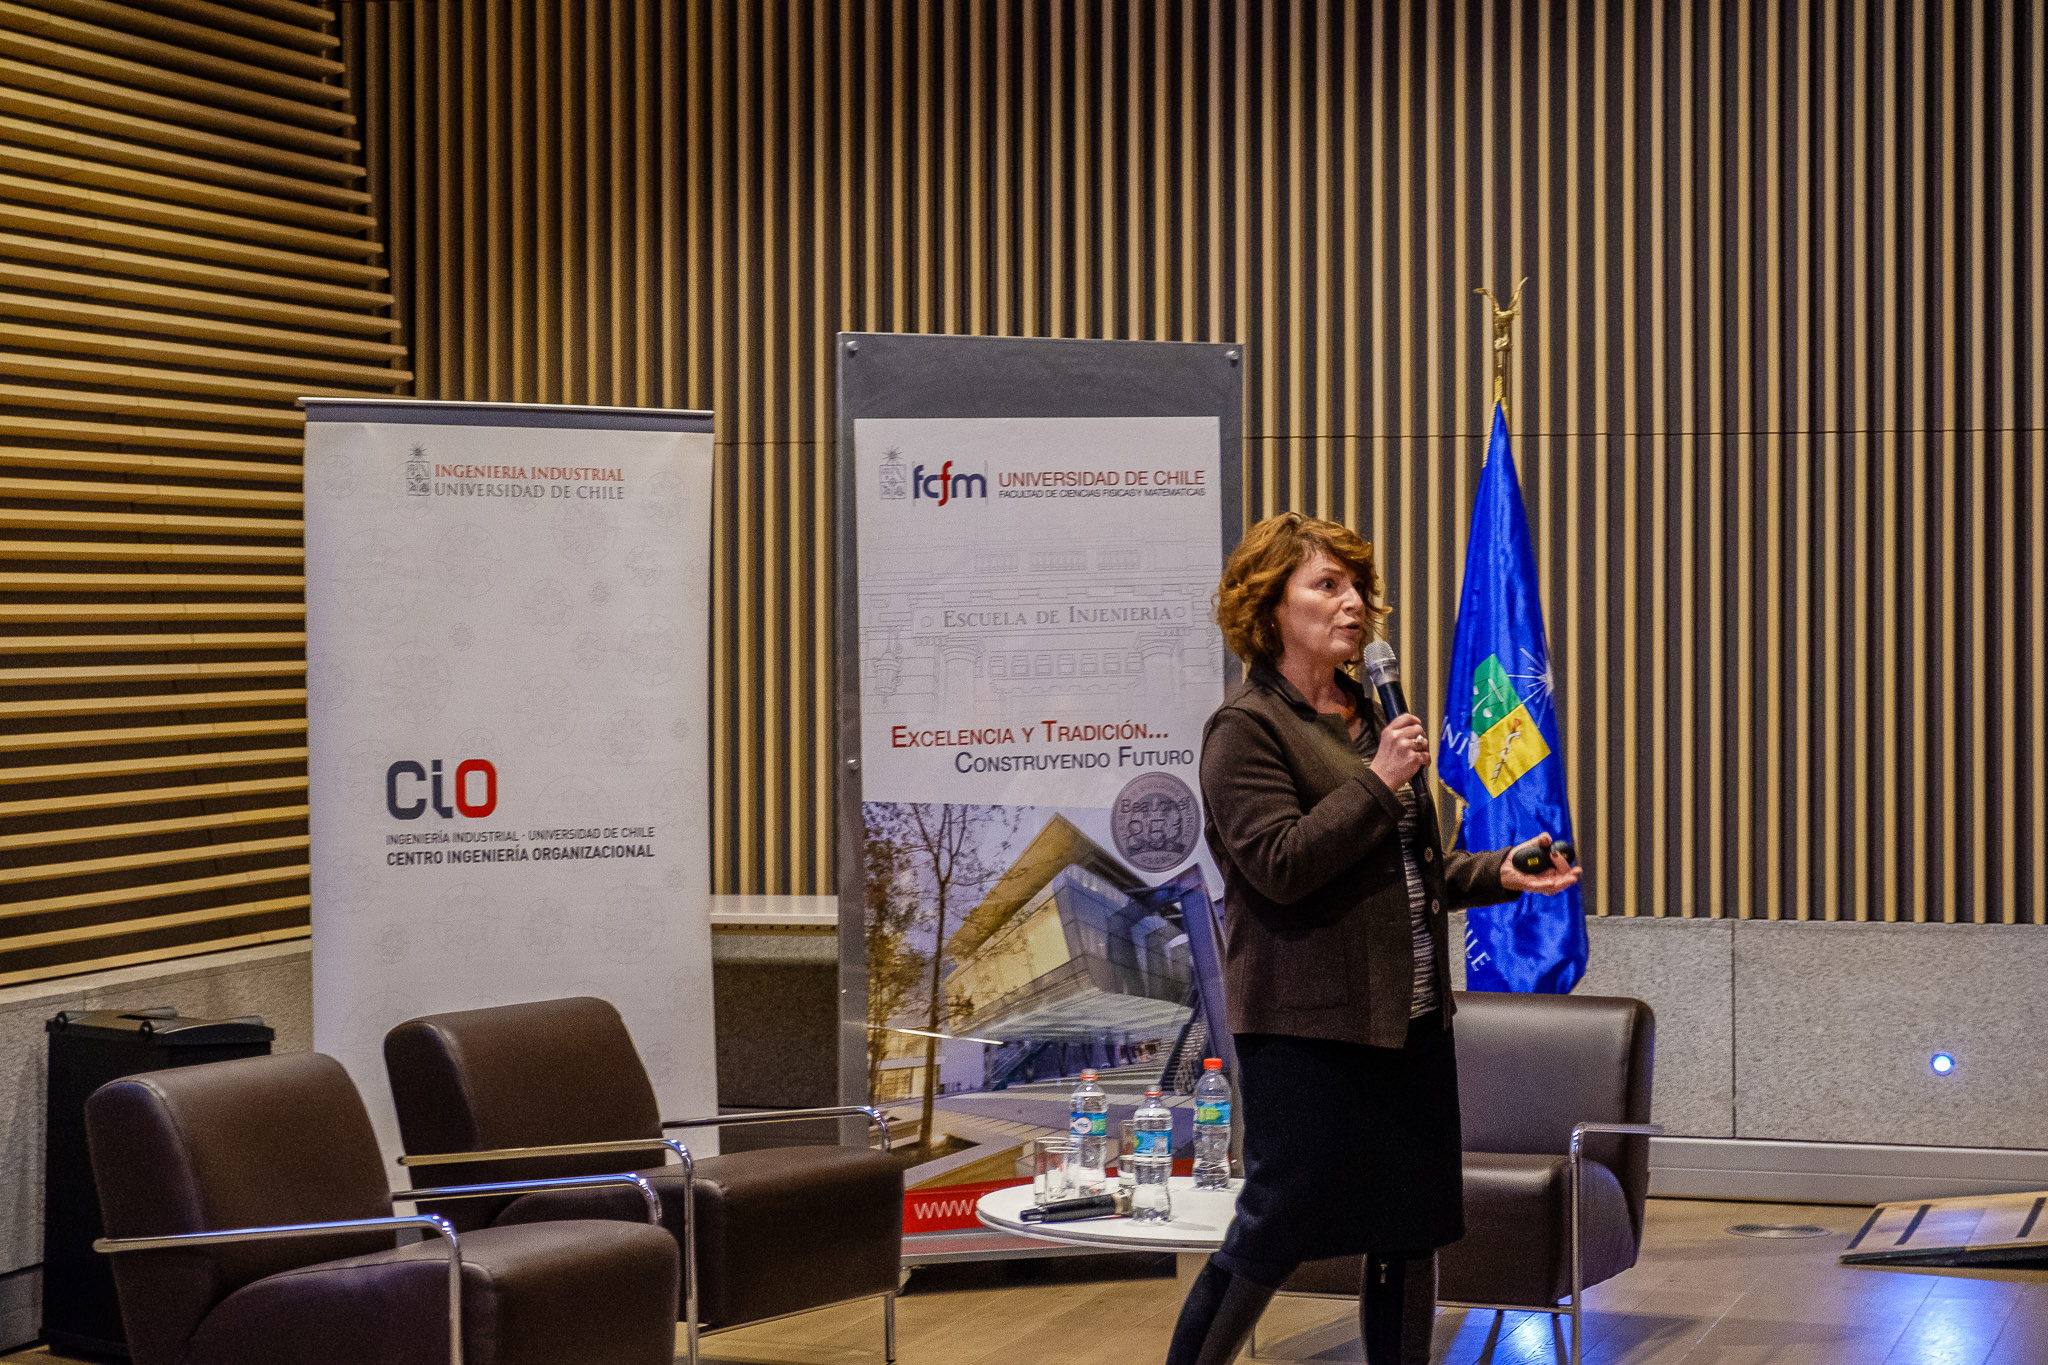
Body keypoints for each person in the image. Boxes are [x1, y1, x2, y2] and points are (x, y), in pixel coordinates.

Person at [1166, 512, 1581, 1365]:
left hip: (1410, 1022)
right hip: (1308, 1033)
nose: (1354, 602)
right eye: (1327, 585)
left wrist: (1496, 872)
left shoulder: (1367, 714)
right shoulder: (1246, 729)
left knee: (1408, 1229)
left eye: (1357, 586)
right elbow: (1280, 864)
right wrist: (1381, 778)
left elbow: (1400, 867)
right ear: (1269, 606)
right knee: (1275, 1230)